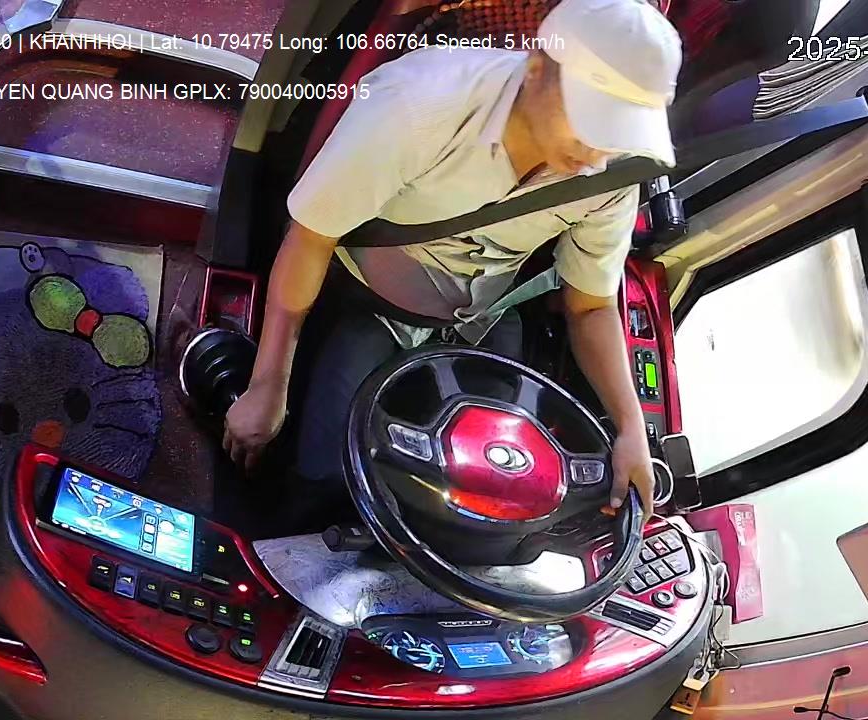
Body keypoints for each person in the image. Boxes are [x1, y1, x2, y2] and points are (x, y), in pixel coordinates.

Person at [223, 0, 682, 519]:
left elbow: (591, 305)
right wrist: (267, 385)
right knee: (323, 481)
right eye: (590, 121)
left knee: (501, 493)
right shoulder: (417, 105)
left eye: (617, 133)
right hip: (369, 300)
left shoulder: (613, 172)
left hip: (487, 318)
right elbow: (311, 237)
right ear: (537, 67)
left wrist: (630, 429)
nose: (597, 154)